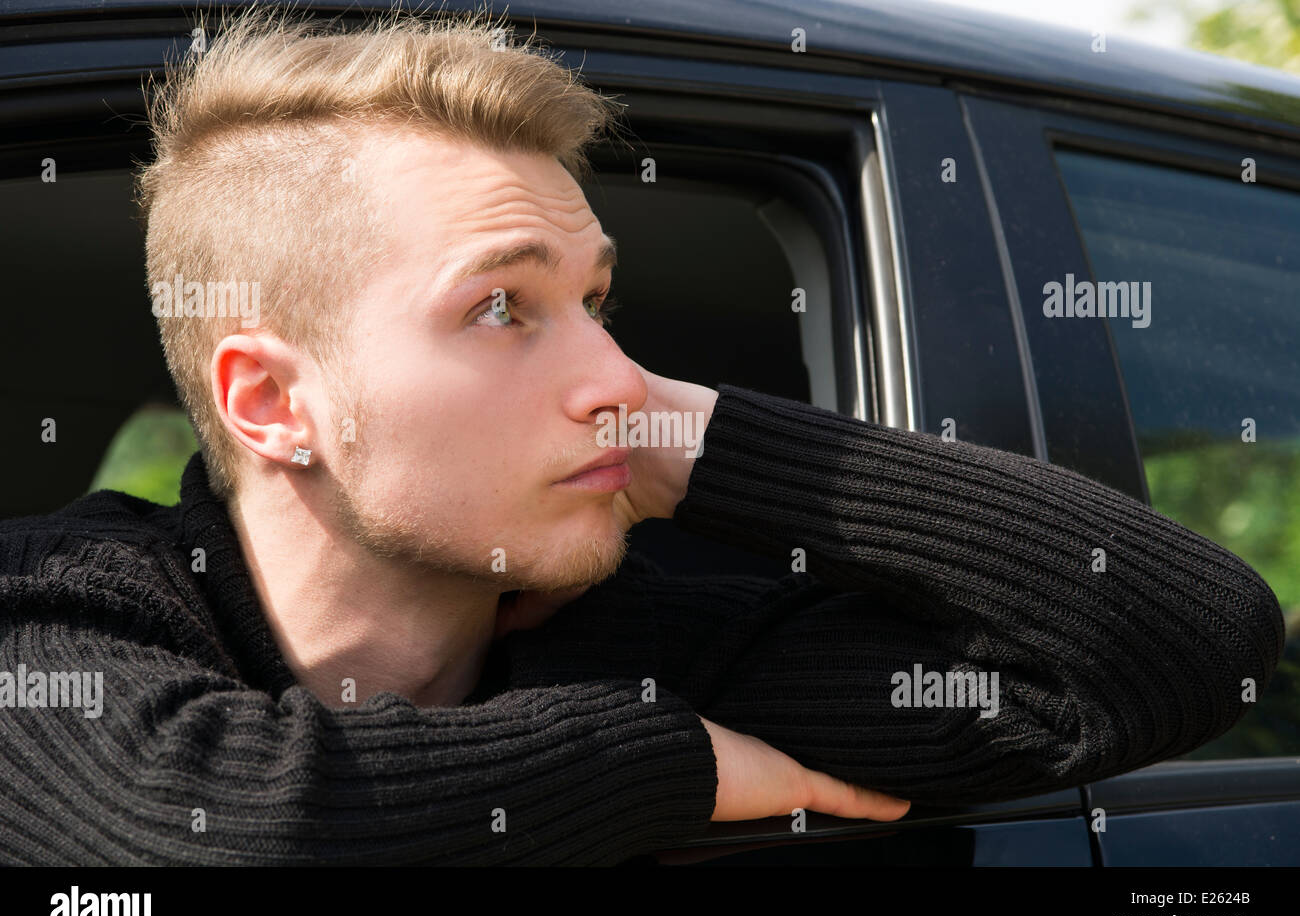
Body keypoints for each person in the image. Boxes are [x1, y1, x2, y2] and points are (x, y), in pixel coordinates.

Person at [0, 8, 1283, 865]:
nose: (615, 370)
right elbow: (203, 814)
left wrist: (694, 436)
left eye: (596, 301)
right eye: (502, 305)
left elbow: (1190, 645)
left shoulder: (665, 644)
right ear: (272, 402)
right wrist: (667, 765)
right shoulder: (55, 611)